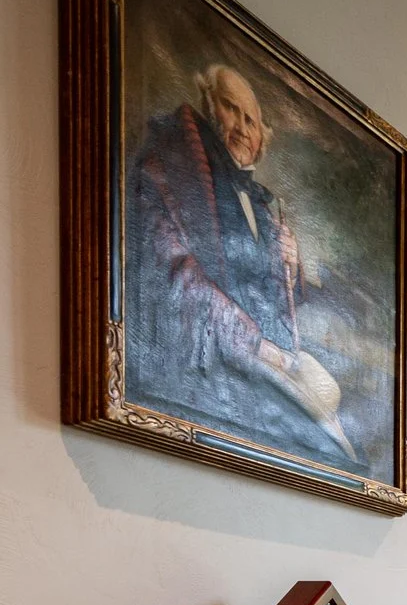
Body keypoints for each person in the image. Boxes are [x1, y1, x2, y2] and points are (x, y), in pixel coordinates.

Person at [126, 64, 355, 462]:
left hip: (272, 363)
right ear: (207, 105)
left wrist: (292, 264)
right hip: (214, 364)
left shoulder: (264, 209)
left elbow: (279, 298)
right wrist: (255, 342)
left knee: (344, 451)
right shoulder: (168, 168)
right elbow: (173, 273)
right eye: (232, 109)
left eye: (252, 120)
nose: (243, 128)